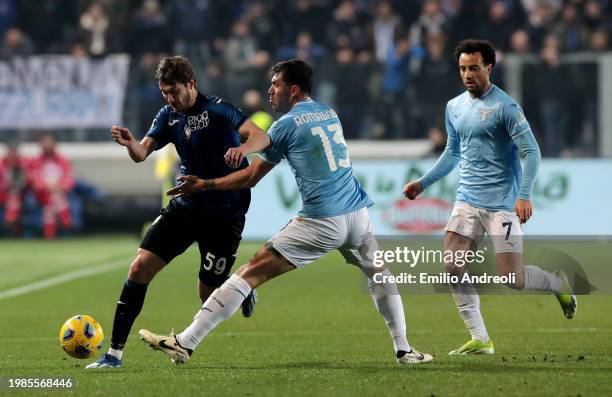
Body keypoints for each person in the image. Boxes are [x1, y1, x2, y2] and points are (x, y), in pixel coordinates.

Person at [139, 59, 433, 365]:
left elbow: (251, 176)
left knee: (247, 274)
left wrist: (207, 183)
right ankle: (404, 350)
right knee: (379, 274)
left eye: (276, 84)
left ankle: (185, 342)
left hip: (321, 220)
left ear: (293, 89)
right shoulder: (328, 112)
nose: (270, 91)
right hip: (358, 214)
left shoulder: (285, 125)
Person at [86, 55, 270, 368]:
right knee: (139, 268)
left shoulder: (219, 109)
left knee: (207, 292)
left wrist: (242, 148)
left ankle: (240, 290)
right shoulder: (167, 116)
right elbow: (142, 153)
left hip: (225, 212)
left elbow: (260, 136)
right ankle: (113, 355)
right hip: (186, 205)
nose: (171, 99)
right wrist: (131, 143)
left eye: (175, 92)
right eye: (165, 93)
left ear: (191, 84)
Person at [402, 39, 577, 355]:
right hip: (466, 199)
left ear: (489, 68)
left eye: (474, 68)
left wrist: (524, 195)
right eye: (463, 68)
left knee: (513, 278)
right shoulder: (454, 107)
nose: (468, 74)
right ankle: (480, 338)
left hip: (501, 207)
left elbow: (532, 152)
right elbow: (452, 151)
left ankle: (557, 284)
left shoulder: (506, 107)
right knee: (452, 267)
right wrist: (423, 183)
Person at [29, 133, 75, 239]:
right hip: (41, 194)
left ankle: (49, 235)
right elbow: (33, 178)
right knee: (55, 198)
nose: (47, 145)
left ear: (55, 144)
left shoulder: (63, 160)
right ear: (40, 145)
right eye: (45, 142)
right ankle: (65, 217)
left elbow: (68, 178)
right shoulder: (35, 161)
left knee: (50, 207)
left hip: (59, 192)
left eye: (50, 142)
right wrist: (47, 187)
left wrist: (58, 187)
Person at [0, 141, 29, 235]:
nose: (12, 154)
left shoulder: (23, 164)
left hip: (21, 194)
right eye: (10, 151)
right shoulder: (1, 164)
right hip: (3, 193)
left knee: (14, 196)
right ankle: (11, 225)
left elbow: (27, 181)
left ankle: (12, 225)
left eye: (14, 152)